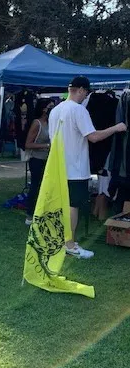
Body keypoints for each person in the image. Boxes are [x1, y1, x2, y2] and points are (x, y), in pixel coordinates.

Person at [49, 75, 127, 259]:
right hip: (75, 169)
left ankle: (63, 241)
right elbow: (93, 137)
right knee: (73, 206)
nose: (86, 97)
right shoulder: (78, 110)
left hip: (59, 166)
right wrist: (116, 128)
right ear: (81, 90)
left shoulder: (56, 110)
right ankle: (70, 245)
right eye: (86, 93)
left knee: (63, 205)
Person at [25, 98, 53, 225]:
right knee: (35, 186)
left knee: (46, 186)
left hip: (48, 159)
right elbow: (28, 144)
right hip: (36, 159)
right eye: (50, 107)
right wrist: (47, 145)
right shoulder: (37, 123)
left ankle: (43, 212)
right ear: (44, 109)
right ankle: (30, 214)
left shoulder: (51, 122)